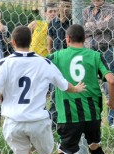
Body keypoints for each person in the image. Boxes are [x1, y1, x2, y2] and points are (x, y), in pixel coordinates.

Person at [0, 26, 86, 154]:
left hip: (13, 121)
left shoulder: (3, 63)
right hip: (37, 120)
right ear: (31, 41)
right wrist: (77, 88)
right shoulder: (44, 63)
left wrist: (5, 96)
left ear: (13, 42)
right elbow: (65, 86)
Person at [47, 24, 114, 154]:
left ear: (67, 39)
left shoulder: (57, 56)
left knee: (64, 152)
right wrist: (111, 103)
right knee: (95, 147)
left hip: (68, 114)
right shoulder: (95, 56)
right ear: (85, 39)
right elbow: (111, 80)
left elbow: (39, 68)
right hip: (92, 112)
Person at [83, 0, 114, 128]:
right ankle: (92, 120)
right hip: (89, 52)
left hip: (105, 50)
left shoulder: (111, 8)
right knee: (89, 86)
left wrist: (91, 25)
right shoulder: (85, 11)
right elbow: (83, 30)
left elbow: (109, 25)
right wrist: (101, 23)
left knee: (108, 86)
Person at [47, 0, 72, 129]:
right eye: (64, 6)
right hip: (56, 62)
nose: (66, 9)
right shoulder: (53, 23)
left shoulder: (74, 22)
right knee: (54, 92)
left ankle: (69, 120)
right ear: (59, 7)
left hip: (70, 63)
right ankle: (53, 122)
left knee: (71, 91)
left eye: (68, 6)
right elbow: (50, 43)